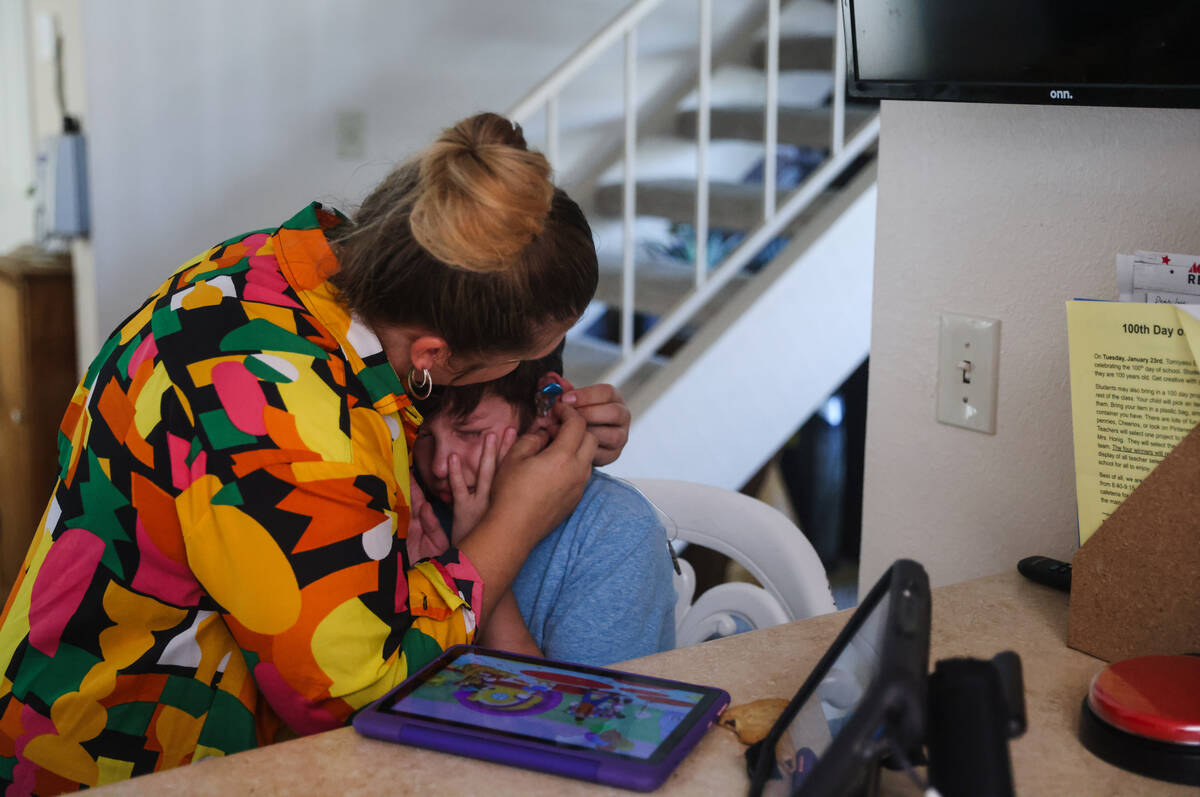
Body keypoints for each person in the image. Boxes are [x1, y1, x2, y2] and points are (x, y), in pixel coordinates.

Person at [0, 113, 630, 795]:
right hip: (110, 758)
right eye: (523, 360)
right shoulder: (298, 414)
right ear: (433, 357)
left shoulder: (270, 270)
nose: (543, 378)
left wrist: (553, 408)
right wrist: (515, 522)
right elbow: (357, 689)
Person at [409, 349, 677, 667]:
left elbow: (580, 713)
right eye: (422, 434)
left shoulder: (614, 532)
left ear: (544, 407)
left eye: (471, 432)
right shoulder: (412, 505)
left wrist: (474, 558)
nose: (440, 466)